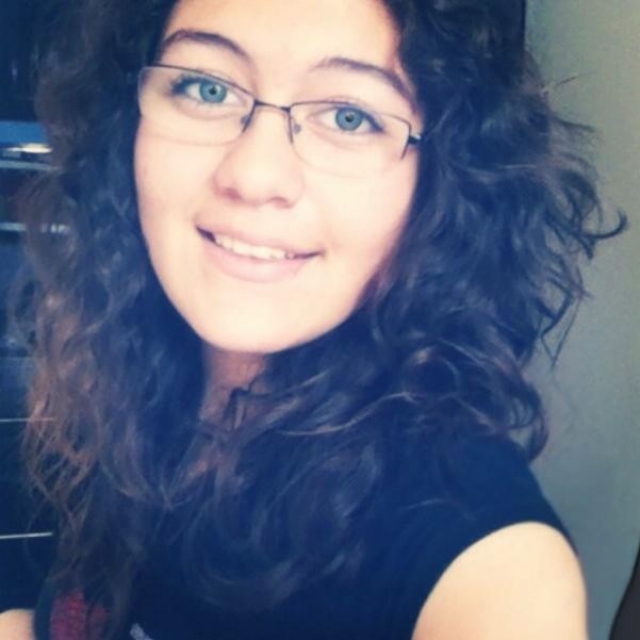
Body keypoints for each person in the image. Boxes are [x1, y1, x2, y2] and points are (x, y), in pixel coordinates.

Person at [0, 0, 624, 638]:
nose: (254, 175)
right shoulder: (134, 375)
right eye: (207, 88)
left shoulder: (483, 555)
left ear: (438, 186)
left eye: (349, 117)